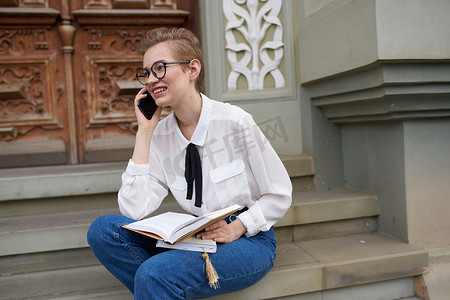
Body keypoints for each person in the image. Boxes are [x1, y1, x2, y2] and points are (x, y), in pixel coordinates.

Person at [87, 27, 292, 299]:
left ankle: (162, 283)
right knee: (103, 231)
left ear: (192, 69)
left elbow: (278, 193)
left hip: (248, 239)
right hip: (194, 236)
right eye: (146, 73)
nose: (150, 80)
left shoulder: (235, 122)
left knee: (153, 274)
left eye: (160, 68)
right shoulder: (159, 134)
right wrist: (144, 132)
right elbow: (133, 210)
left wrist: (238, 226)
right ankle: (164, 286)